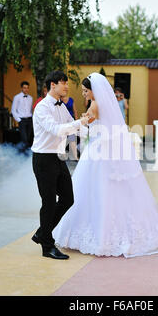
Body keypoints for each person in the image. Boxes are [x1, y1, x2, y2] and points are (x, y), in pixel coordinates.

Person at [53, 73, 158, 258]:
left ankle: (100, 235)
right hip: (105, 150)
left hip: (97, 152)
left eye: (86, 91)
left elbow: (87, 127)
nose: (84, 94)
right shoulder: (104, 105)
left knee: (93, 191)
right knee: (115, 192)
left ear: (94, 91)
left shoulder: (94, 105)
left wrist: (82, 122)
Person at [30, 70, 89, 260]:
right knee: (48, 202)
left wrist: (96, 132)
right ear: (52, 85)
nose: (66, 86)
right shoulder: (41, 108)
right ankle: (47, 246)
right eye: (63, 83)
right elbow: (57, 130)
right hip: (43, 159)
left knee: (68, 198)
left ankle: (42, 233)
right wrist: (81, 122)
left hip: (58, 157)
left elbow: (73, 127)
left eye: (66, 83)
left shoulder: (62, 106)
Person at [11, 81, 33, 150]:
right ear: (21, 88)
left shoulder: (30, 98)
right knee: (24, 139)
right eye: (24, 88)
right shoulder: (17, 97)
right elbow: (13, 110)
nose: (26, 89)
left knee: (29, 138)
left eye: (27, 88)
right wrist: (19, 120)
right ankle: (24, 156)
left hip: (29, 120)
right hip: (22, 120)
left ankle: (26, 153)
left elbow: (30, 110)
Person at [61, 95, 78, 160]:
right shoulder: (58, 100)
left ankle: (75, 156)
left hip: (71, 122)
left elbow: (75, 111)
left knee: (72, 138)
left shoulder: (71, 99)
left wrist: (76, 123)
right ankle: (62, 156)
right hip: (62, 123)